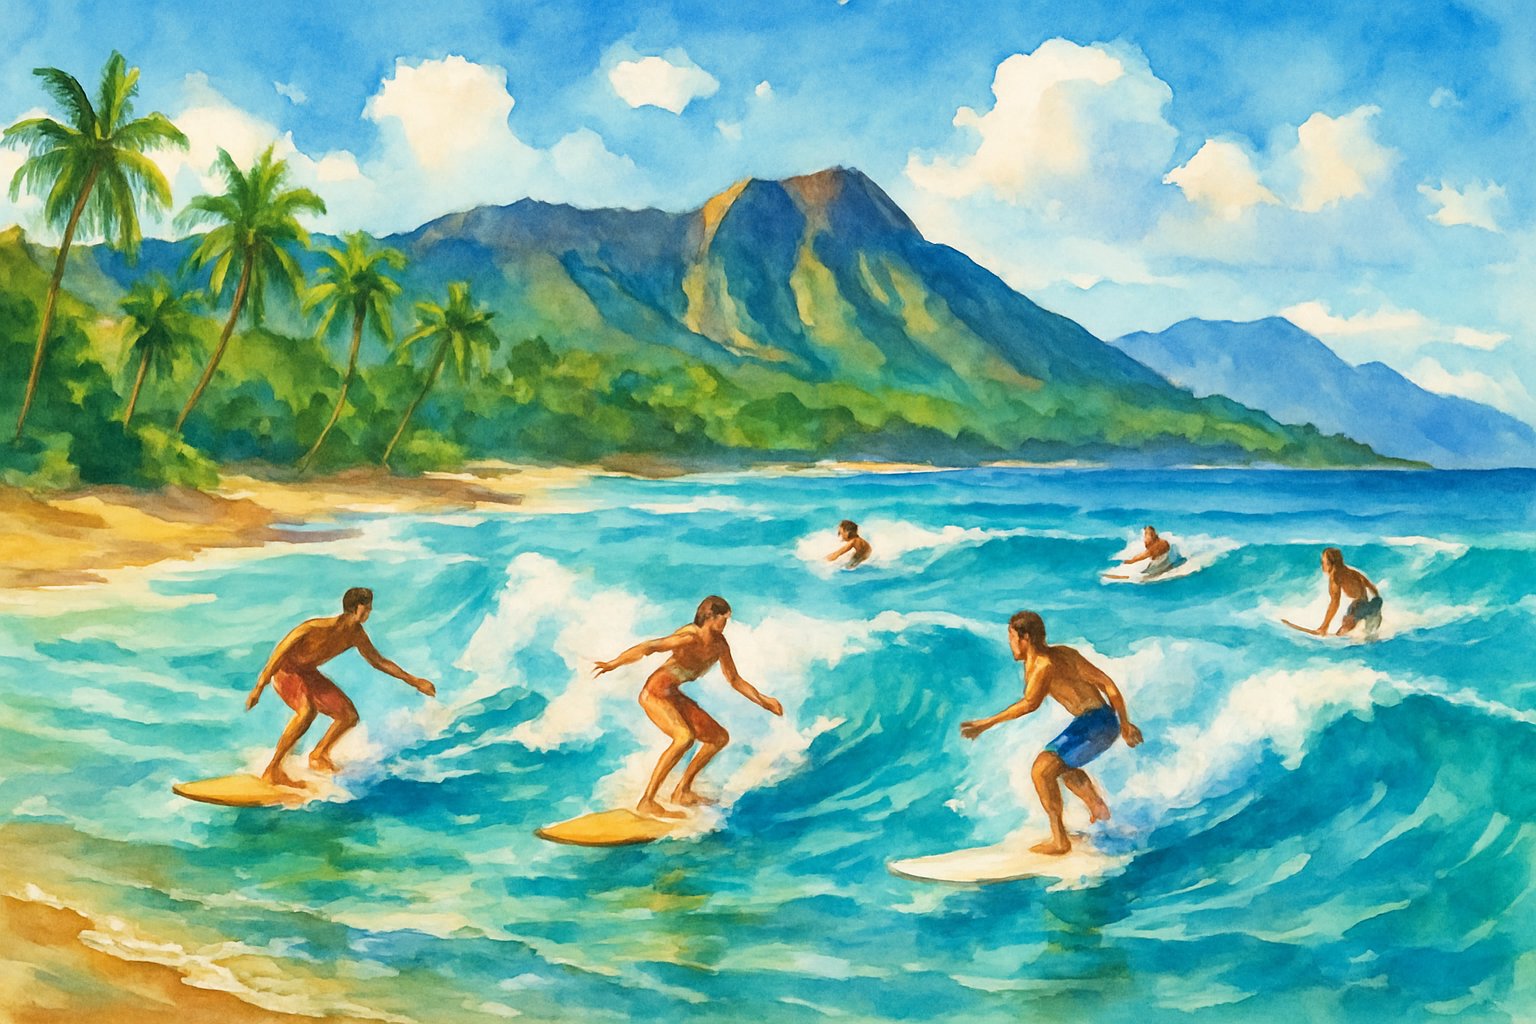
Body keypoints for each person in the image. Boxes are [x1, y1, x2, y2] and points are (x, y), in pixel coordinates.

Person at [960, 611, 1143, 855]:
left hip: (1096, 723)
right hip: (1100, 721)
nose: (1010, 643)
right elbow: (1107, 684)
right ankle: (1099, 810)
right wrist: (1124, 722)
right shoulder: (1061, 654)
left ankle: (1060, 841)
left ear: (1024, 638)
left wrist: (986, 723)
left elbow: (1029, 704)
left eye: (1012, 637)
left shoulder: (1044, 665)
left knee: (1042, 770)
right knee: (1062, 769)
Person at [593, 596, 783, 819]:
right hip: (654, 693)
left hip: (673, 695)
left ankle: (682, 791)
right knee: (684, 737)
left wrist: (763, 700)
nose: (726, 625)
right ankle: (647, 801)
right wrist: (613, 663)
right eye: (724, 619)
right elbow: (649, 647)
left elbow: (734, 680)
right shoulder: (689, 637)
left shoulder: (720, 645)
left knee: (718, 738)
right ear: (710, 617)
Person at [246, 587, 436, 787]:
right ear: (356, 608)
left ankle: (319, 755)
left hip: (308, 674)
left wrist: (414, 681)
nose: (370, 612)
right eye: (368, 608)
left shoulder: (356, 635)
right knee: (307, 712)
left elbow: (379, 662)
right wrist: (259, 688)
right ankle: (272, 770)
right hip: (286, 672)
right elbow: (277, 656)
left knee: (348, 716)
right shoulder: (314, 628)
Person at [1308, 547, 1383, 636]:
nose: (1322, 565)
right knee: (1370, 634)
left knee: (1344, 629)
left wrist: (1324, 626)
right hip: (1374, 605)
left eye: (1323, 562)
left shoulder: (1335, 577)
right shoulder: (1352, 572)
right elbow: (1371, 587)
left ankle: (1339, 635)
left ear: (1329, 563)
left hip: (1358, 606)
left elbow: (1334, 603)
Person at [1112, 525, 1179, 578]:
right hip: (1166, 565)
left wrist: (1129, 561)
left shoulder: (1155, 546)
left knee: (1139, 576)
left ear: (1152, 535)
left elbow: (1142, 556)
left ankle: (1125, 577)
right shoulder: (1163, 541)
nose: (1144, 537)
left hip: (1156, 570)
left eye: (1146, 534)